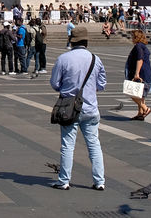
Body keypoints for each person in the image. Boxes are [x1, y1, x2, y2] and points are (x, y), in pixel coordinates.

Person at [48, 24, 106, 191]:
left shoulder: (63, 59)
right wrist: (89, 89)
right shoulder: (96, 59)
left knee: (67, 145)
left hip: (69, 109)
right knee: (94, 145)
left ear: (71, 41)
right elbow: (102, 84)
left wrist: (67, 89)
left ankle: (64, 180)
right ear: (86, 41)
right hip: (90, 108)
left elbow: (54, 83)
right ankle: (99, 181)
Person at [125, 29, 151, 120]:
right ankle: (140, 113)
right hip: (146, 74)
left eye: (132, 37)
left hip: (143, 75)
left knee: (131, 92)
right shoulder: (142, 46)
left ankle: (145, 109)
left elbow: (140, 59)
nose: (131, 38)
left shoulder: (138, 46)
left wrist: (137, 74)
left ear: (136, 37)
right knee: (140, 95)